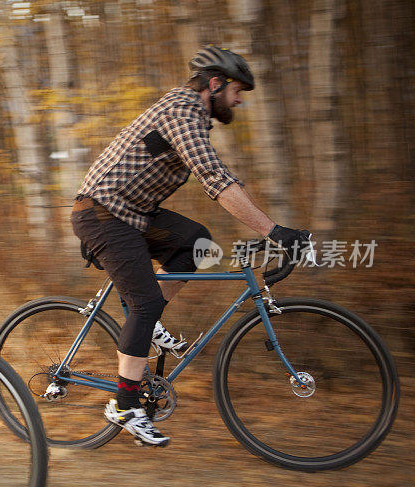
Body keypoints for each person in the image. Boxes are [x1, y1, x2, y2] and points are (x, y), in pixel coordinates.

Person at [70, 45, 309, 446]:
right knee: (144, 304)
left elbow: (216, 176)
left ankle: (146, 323)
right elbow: (215, 179)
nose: (239, 100)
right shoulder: (182, 111)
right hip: (104, 214)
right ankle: (125, 405)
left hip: (130, 212)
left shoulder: (191, 115)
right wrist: (276, 231)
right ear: (215, 84)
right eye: (237, 91)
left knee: (197, 242)